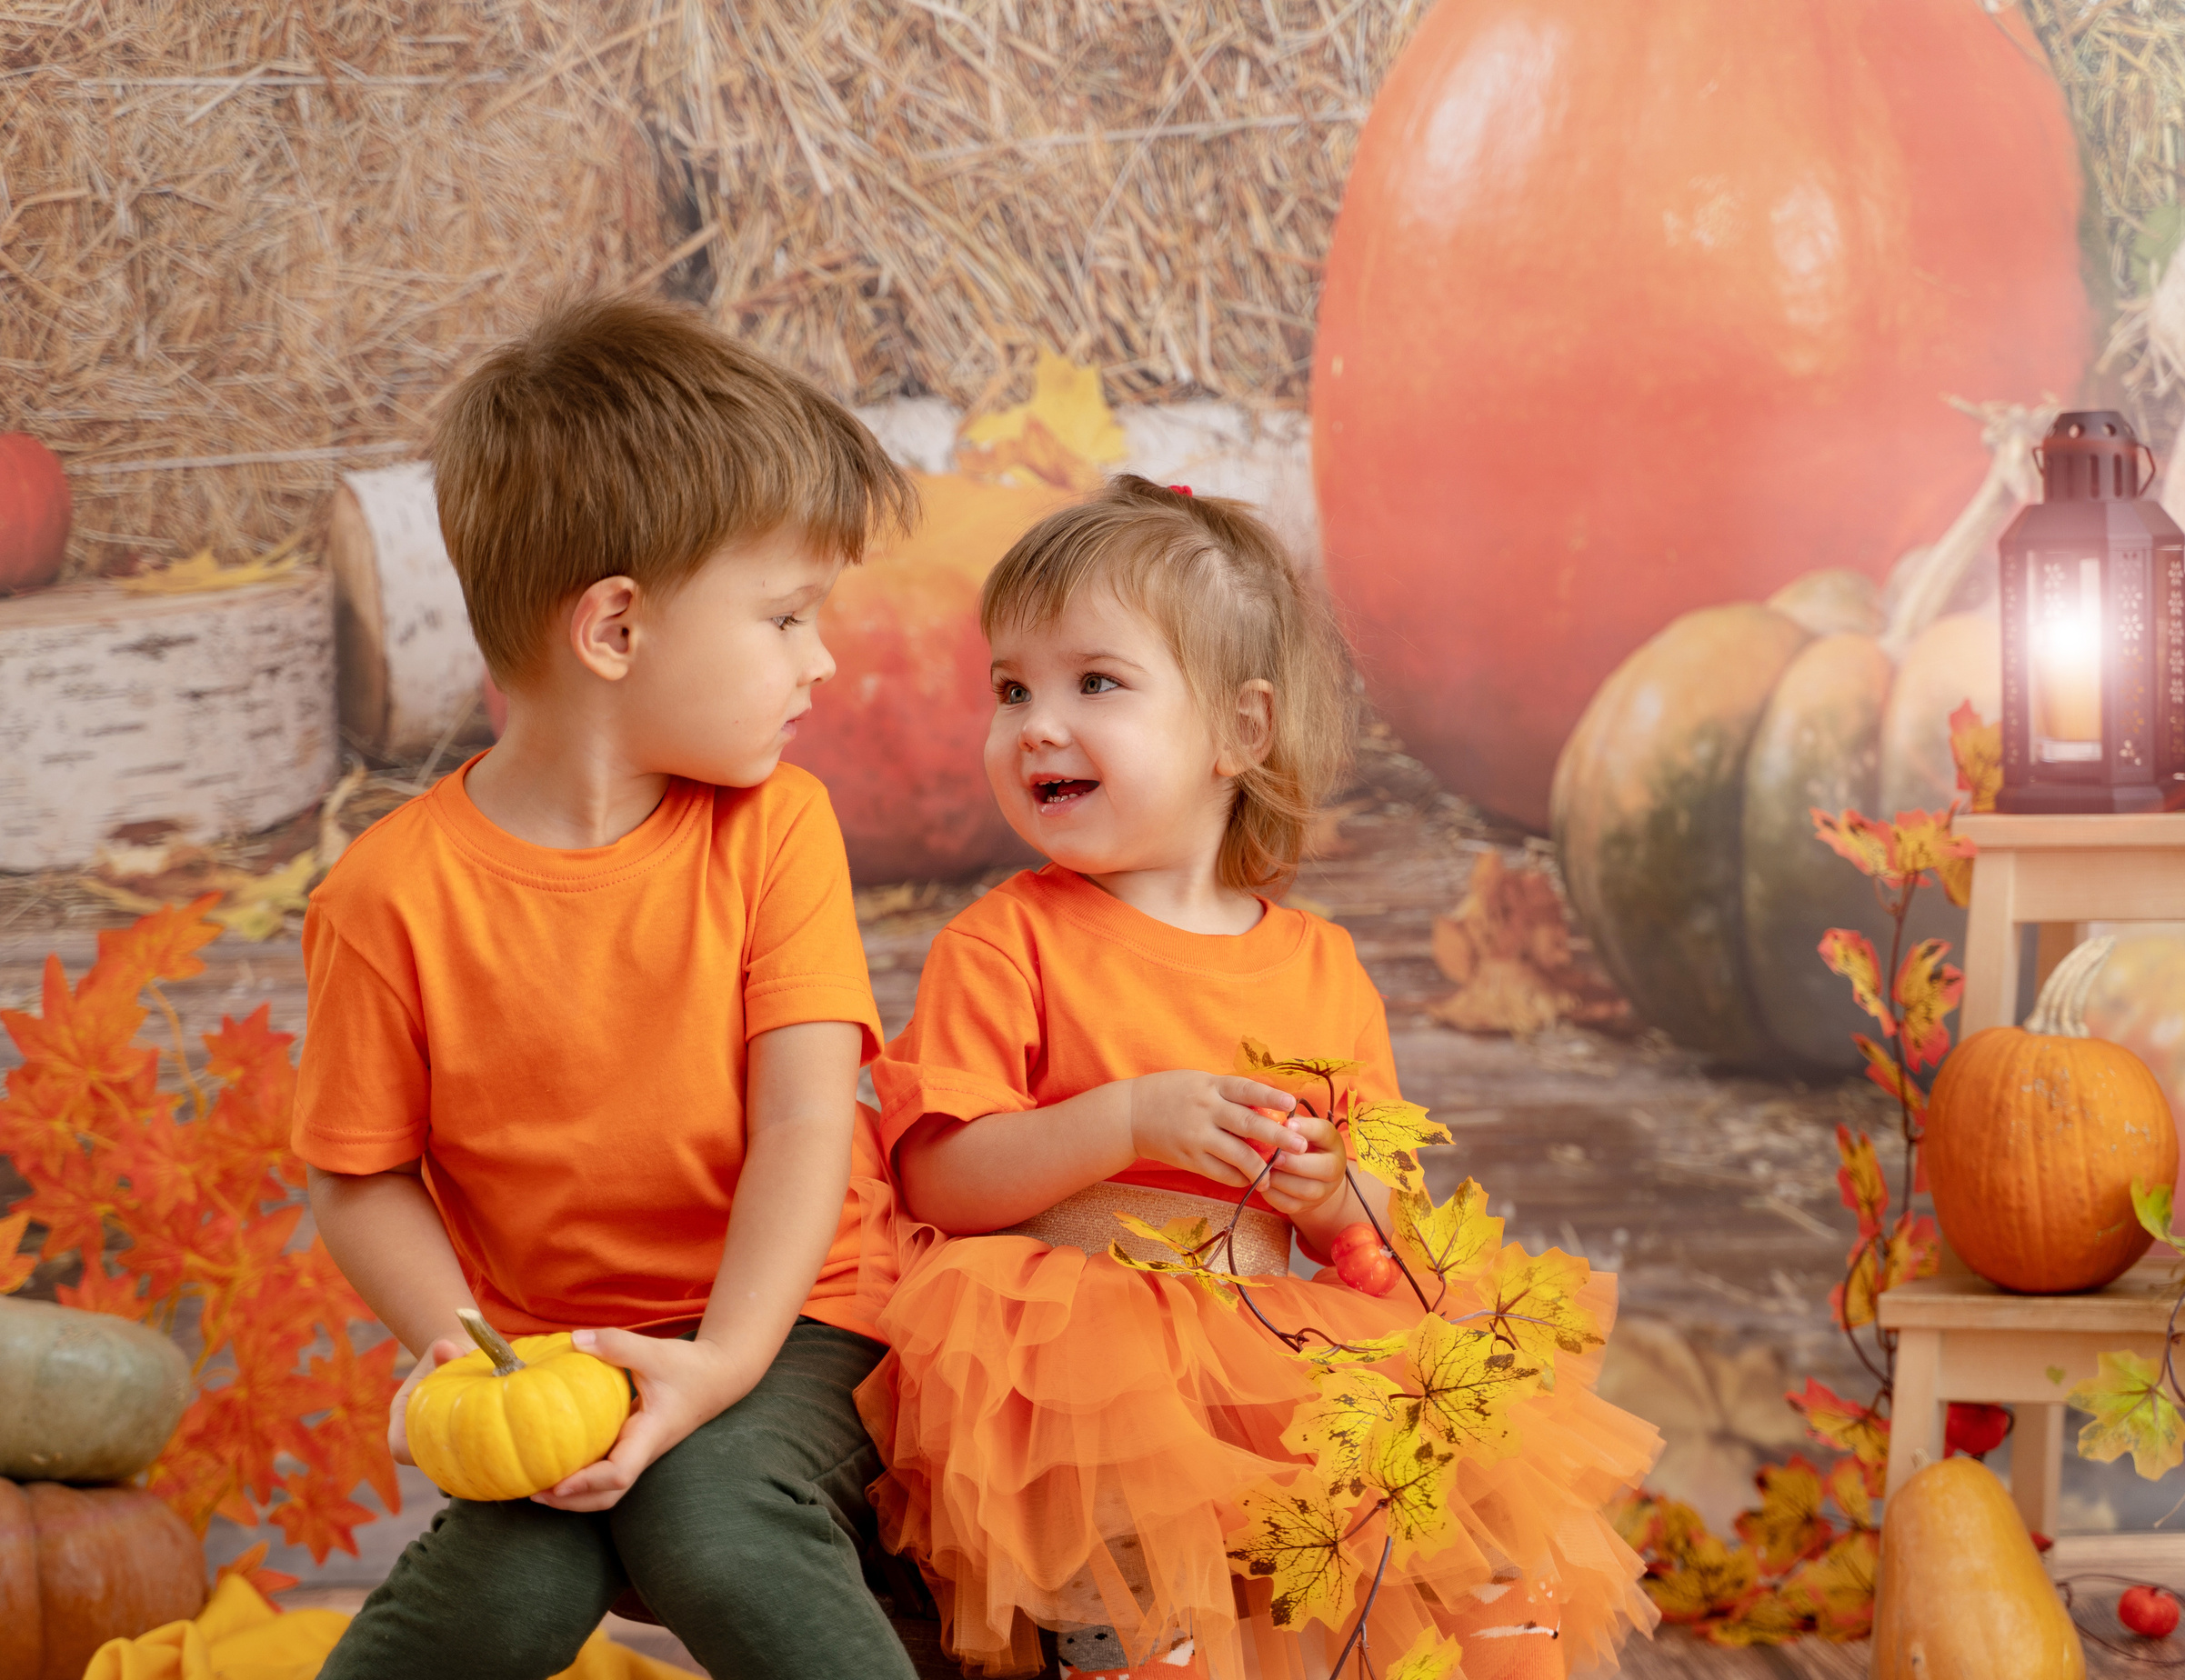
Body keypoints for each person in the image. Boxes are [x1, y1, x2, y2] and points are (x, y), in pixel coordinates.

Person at [857, 477, 1660, 1680]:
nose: (1035, 723)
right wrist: (1128, 1119)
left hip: (1278, 1337)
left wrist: (1334, 1195)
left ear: (1241, 732)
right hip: (1082, 1366)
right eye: (1011, 688)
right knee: (1143, 1611)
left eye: (1097, 684)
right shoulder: (1004, 941)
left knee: (1466, 1521)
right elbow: (941, 1180)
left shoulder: (1323, 968)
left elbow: (1391, 1227)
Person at [291, 294, 921, 1680]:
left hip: (801, 1311)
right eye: (785, 615)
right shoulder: (387, 898)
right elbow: (360, 1174)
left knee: (714, 1528)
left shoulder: (776, 831)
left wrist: (725, 1364)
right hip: (559, 1352)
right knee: (504, 1595)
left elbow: (812, 1124)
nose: (820, 659)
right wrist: (472, 1361)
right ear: (618, 631)